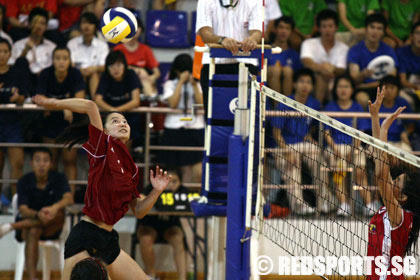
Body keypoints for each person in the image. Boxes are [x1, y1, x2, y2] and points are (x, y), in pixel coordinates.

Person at [30, 94, 171, 280]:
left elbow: (139, 210)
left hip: (108, 240)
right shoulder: (102, 145)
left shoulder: (133, 169)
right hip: (86, 237)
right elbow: (90, 106)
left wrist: (157, 191)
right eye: (115, 121)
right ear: (104, 130)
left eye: (125, 121)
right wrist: (52, 103)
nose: (122, 124)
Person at [367, 86, 420, 279]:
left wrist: (384, 130)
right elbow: (378, 163)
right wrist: (375, 118)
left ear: (403, 196)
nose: (392, 181)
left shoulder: (400, 217)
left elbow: (382, 174)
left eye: (396, 181)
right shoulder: (391, 211)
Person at [0, 147, 74, 280]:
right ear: (32, 163)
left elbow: (69, 198)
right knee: (34, 230)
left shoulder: (58, 178)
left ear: (51, 163)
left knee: (55, 215)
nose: (41, 164)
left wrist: (54, 207)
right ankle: (33, 278)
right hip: (31, 226)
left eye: (45, 161)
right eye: (38, 160)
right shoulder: (24, 181)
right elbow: (23, 209)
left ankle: (11, 226)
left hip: (53, 227)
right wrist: (37, 215)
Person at [271, 68, 331, 215]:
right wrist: (286, 151)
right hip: (285, 145)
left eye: (309, 82)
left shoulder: (314, 104)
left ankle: (324, 202)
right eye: (302, 82)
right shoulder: (284, 103)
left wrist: (310, 137)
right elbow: (276, 134)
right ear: (295, 84)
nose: (305, 85)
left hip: (305, 144)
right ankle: (299, 205)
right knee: (292, 165)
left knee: (319, 159)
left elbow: (313, 127)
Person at [196, 0, 262, 116]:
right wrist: (222, 40)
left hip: (246, 65)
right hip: (214, 66)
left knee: (247, 119)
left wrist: (252, 39)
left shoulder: (254, 1)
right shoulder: (205, 1)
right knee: (214, 118)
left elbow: (257, 32)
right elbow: (205, 33)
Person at [36, 46, 86, 196]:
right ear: (53, 61)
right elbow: (39, 98)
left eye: (65, 58)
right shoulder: (46, 74)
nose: (61, 62)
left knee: (69, 161)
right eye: (58, 58)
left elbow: (80, 99)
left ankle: (69, 197)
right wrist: (64, 106)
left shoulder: (76, 74)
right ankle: (50, 196)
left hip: (71, 124)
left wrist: (54, 104)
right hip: (50, 123)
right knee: (51, 162)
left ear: (70, 61)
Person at [323, 75, 373, 216]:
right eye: (340, 86)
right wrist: (335, 150)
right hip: (335, 147)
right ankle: (344, 205)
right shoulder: (330, 107)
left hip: (354, 146)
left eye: (346, 86)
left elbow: (360, 132)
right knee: (339, 172)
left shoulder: (357, 107)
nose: (343, 90)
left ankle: (369, 205)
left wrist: (354, 149)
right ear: (336, 90)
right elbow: (326, 133)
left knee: (360, 171)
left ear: (351, 90)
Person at [159, 54, 204, 183]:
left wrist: (194, 85)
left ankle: (189, 199)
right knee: (171, 169)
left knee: (193, 170)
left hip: (194, 129)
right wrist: (180, 83)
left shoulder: (197, 84)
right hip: (174, 129)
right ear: (176, 71)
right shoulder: (170, 84)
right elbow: (173, 103)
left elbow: (201, 105)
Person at [137, 168, 188, 280]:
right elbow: (140, 200)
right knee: (145, 238)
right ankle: (151, 276)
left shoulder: (181, 191)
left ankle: (182, 278)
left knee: (178, 238)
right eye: (168, 180)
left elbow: (192, 201)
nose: (170, 185)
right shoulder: (151, 188)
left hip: (170, 226)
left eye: (174, 181)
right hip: (149, 225)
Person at [347, 13, 398, 109]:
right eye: (372, 27)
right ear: (365, 29)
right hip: (363, 90)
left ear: (383, 32)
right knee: (362, 99)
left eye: (379, 28)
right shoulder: (355, 50)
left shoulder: (388, 50)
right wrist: (363, 74)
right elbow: (354, 78)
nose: (375, 31)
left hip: (383, 88)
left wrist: (364, 85)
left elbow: (392, 78)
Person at [300, 9, 349, 103]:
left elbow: (341, 69)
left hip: (335, 83)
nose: (327, 30)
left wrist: (331, 69)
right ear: (319, 28)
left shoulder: (343, 48)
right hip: (313, 82)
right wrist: (323, 68)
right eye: (324, 26)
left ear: (336, 28)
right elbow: (306, 61)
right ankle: (317, 113)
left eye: (330, 26)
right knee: (321, 78)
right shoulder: (309, 43)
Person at [94, 51, 141, 146]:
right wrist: (112, 111)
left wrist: (116, 111)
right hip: (110, 116)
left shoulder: (131, 75)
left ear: (124, 65)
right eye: (112, 66)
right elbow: (98, 99)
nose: (115, 69)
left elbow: (136, 101)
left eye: (119, 65)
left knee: (125, 147)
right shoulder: (105, 76)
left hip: (128, 116)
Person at [0, 38, 25, 204]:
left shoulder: (16, 73)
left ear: (10, 54)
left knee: (18, 163)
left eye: (4, 51)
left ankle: (17, 202)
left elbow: (23, 98)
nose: (1, 55)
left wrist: (19, 98)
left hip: (12, 124)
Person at [114, 15, 160, 99]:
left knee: (146, 77)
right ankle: (152, 98)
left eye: (137, 27)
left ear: (141, 30)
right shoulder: (118, 49)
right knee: (142, 72)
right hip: (123, 80)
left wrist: (151, 78)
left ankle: (151, 99)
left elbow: (157, 72)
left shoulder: (145, 49)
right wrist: (136, 70)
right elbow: (114, 69)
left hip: (142, 81)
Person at [67, 12, 109, 99]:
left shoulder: (102, 45)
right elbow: (69, 63)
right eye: (83, 23)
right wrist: (80, 70)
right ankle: (79, 107)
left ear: (95, 26)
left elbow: (105, 65)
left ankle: (96, 105)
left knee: (94, 75)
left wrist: (94, 68)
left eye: (90, 23)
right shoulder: (72, 43)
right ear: (80, 25)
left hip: (96, 76)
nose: (86, 26)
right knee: (78, 75)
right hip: (76, 75)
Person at [9, 7, 56, 76]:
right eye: (35, 22)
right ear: (29, 24)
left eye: (42, 23)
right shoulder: (18, 45)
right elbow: (12, 68)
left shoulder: (52, 47)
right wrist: (24, 52)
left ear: (46, 27)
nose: (39, 26)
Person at [377, 75, 413, 152]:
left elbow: (411, 124)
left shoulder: (403, 103)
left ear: (397, 90)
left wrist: (405, 133)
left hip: (399, 141)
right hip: (379, 142)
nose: (389, 91)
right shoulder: (375, 104)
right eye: (386, 88)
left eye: (392, 87)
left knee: (409, 153)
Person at [268, 16, 302, 95]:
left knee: (288, 70)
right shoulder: (266, 50)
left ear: (291, 32)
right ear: (275, 29)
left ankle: (286, 105)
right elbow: (259, 73)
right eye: (281, 27)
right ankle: (277, 106)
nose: (284, 31)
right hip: (268, 86)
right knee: (276, 70)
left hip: (289, 85)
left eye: (287, 28)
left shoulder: (294, 54)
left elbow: (299, 77)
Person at [397, 21, 420, 111]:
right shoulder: (402, 53)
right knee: (407, 100)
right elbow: (403, 81)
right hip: (407, 89)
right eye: (418, 33)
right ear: (411, 36)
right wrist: (416, 87)